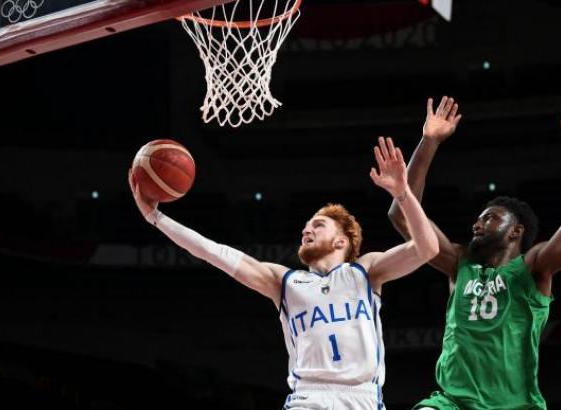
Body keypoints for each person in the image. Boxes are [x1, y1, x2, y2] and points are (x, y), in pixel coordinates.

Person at [129, 137, 439, 409]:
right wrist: (156, 218)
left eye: (318, 225)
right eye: (306, 225)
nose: (307, 228)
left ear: (341, 240)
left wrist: (402, 194)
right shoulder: (286, 282)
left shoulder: (365, 272)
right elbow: (214, 252)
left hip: (362, 398)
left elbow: (427, 249)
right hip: (308, 398)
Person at [388, 76, 561, 410]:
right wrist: (428, 142)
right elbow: (402, 216)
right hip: (451, 402)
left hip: (515, 404)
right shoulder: (458, 262)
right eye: (479, 217)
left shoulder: (533, 268)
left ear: (516, 231)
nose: (478, 222)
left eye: (490, 217)